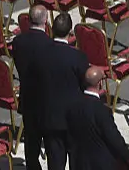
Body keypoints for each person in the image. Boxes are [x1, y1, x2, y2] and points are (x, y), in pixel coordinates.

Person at [38, 12, 89, 170]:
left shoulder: (41, 55)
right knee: (77, 161)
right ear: (70, 33)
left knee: (55, 163)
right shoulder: (78, 57)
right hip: (73, 119)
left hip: (50, 117)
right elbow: (85, 85)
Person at [11, 5, 53, 170]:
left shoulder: (18, 42)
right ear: (46, 20)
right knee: (51, 145)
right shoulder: (50, 45)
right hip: (47, 102)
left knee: (31, 144)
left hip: (28, 99)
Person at [66, 66, 129, 170]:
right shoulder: (102, 111)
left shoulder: (72, 105)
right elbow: (113, 139)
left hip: (78, 163)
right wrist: (127, 156)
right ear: (100, 83)